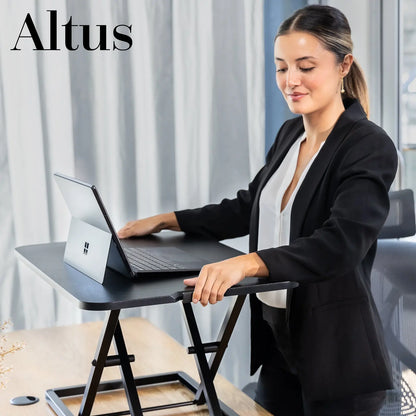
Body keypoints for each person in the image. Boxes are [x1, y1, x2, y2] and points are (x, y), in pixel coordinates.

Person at [118, 5, 397, 416]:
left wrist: (247, 264)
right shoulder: (290, 134)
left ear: (343, 65)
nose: (291, 81)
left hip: (337, 358)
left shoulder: (367, 146)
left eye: (306, 66)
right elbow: (250, 207)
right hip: (278, 343)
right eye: (282, 67)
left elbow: (340, 245)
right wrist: (169, 220)